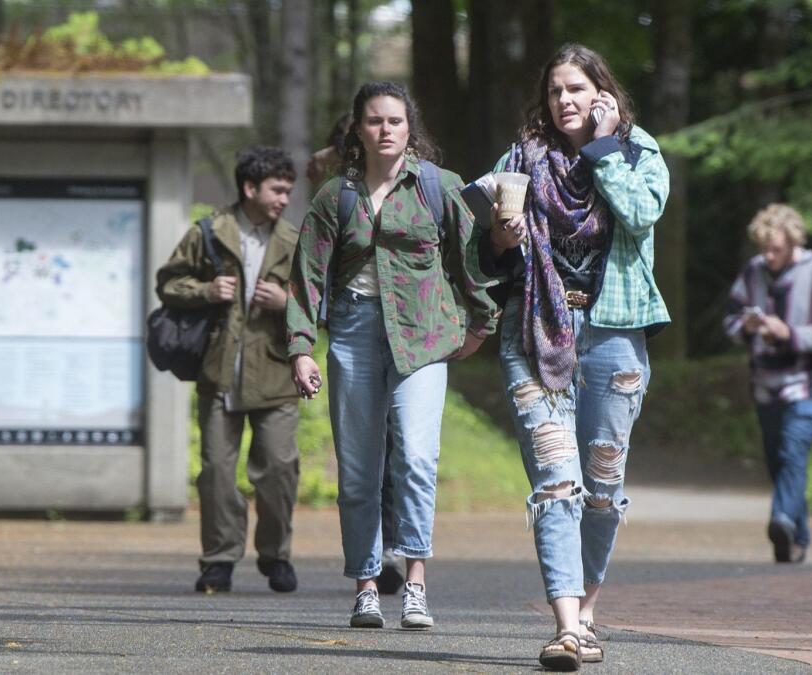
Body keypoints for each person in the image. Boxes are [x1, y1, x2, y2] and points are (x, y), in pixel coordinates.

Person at [478, 44, 669, 670]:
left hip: (615, 334)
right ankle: (565, 626)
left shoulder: (640, 154)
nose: (565, 100)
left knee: (602, 488)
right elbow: (490, 254)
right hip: (533, 332)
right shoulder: (518, 160)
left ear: (603, 95)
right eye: (556, 90)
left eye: (578, 89)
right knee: (557, 479)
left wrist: (606, 147)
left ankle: (587, 612)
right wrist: (501, 239)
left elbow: (640, 216)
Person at [286, 81, 497, 630]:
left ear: (410, 128)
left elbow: (468, 256)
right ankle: (366, 585)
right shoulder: (337, 195)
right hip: (354, 330)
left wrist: (480, 321)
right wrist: (301, 347)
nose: (385, 130)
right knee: (359, 469)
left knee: (417, 458)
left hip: (423, 333)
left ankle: (417, 585)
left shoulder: (438, 186)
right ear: (357, 128)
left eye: (395, 122)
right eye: (375, 121)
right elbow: (307, 274)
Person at [157, 146, 302, 594]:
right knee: (216, 471)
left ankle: (276, 555)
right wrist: (206, 290)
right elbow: (168, 283)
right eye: (277, 190)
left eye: (288, 191)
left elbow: (323, 301)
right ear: (250, 188)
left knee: (279, 467)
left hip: (277, 373)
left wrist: (287, 303)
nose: (284, 199)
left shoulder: (295, 239)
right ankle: (219, 560)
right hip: (219, 370)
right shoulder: (208, 232)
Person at [308, 112, 408, 596]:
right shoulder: (336, 188)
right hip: (350, 321)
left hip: (401, 328)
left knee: (399, 443)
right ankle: (375, 552)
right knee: (365, 451)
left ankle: (391, 546)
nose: (380, 135)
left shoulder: (409, 180)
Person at [723, 203, 812, 565]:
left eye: (775, 248)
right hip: (765, 384)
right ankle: (797, 538)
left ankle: (780, 520)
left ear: (793, 242)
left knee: (793, 453)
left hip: (809, 384)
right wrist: (745, 327)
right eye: (763, 247)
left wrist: (790, 333)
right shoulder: (752, 273)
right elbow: (730, 320)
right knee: (780, 463)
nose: (768, 255)